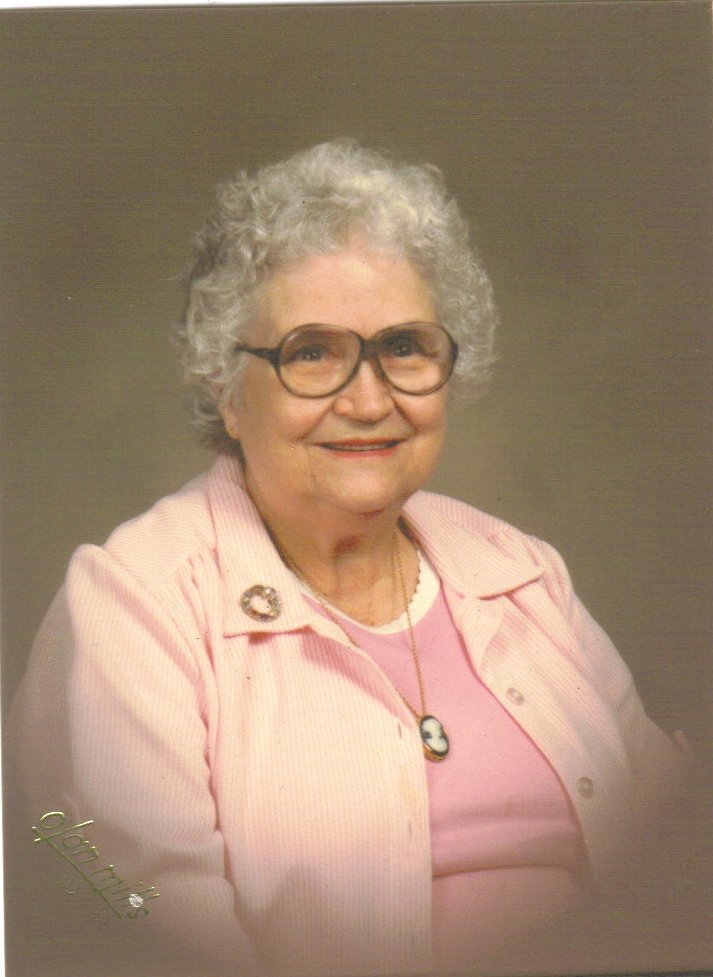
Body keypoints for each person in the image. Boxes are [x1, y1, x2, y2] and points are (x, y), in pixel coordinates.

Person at [8, 139, 689, 977]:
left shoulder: (519, 570)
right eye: (311, 352)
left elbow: (673, 852)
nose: (368, 400)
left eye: (402, 346)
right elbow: (145, 928)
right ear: (224, 387)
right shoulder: (133, 602)